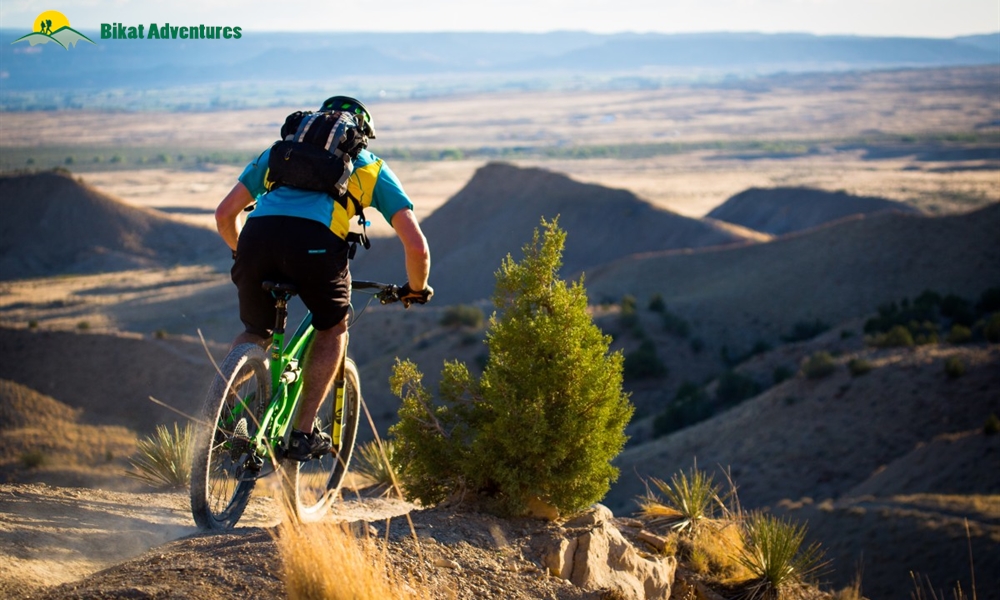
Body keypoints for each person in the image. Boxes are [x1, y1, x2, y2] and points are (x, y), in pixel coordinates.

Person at [214, 95, 432, 461]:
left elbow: (224, 214)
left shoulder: (279, 153)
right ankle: (301, 434)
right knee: (332, 329)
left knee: (256, 332)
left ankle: (217, 415)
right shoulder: (370, 166)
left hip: (256, 240)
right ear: (360, 133)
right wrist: (416, 288)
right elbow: (417, 246)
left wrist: (245, 254)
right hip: (314, 248)